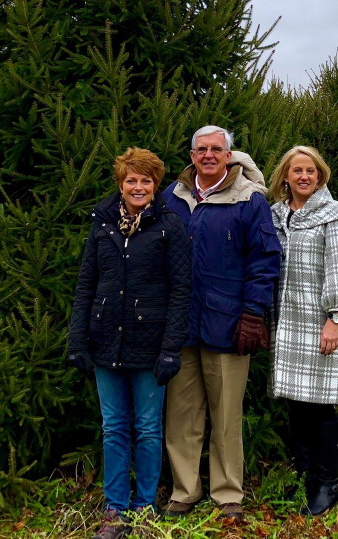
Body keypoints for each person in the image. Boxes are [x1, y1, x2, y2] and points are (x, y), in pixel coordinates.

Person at [67, 148, 192, 539]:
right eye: (131, 180)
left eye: (146, 181)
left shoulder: (169, 227)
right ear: (120, 184)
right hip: (105, 342)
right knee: (115, 427)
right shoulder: (102, 226)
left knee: (148, 427)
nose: (138, 187)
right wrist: (78, 340)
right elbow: (86, 284)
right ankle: (115, 508)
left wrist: (171, 348)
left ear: (156, 186)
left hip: (150, 344)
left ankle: (144, 507)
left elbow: (180, 291)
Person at [161, 126, 282, 523]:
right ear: (192, 155)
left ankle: (228, 493)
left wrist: (253, 314)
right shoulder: (173, 198)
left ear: (229, 156)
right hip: (180, 326)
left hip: (229, 325)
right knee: (181, 414)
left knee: (226, 415)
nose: (209, 155)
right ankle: (184, 490)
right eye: (202, 149)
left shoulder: (249, 200)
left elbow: (265, 261)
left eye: (217, 149)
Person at [267, 146, 338, 516]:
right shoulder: (276, 216)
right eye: (297, 170)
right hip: (285, 325)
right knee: (296, 405)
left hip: (320, 323)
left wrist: (334, 319)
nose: (304, 176)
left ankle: (326, 483)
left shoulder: (331, 216)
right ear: (285, 176)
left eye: (311, 171)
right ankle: (304, 477)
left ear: (320, 176)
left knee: (320, 408)